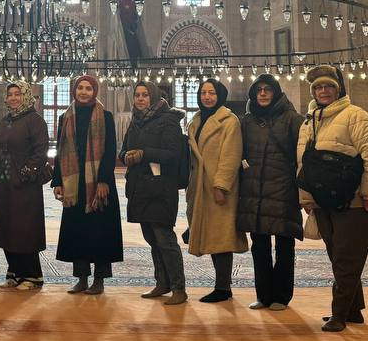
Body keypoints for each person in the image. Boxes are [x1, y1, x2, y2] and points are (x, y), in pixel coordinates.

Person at [298, 65, 368, 333]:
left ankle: (339, 314)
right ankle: (353, 310)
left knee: (347, 258)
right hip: (323, 201)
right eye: (318, 87)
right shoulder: (309, 122)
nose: (323, 91)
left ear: (338, 89)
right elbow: (303, 164)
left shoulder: (355, 116)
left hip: (354, 201)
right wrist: (307, 199)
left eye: (328, 86)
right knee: (339, 257)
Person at [237, 74, 304, 311]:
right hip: (254, 192)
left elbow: (302, 157)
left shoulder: (292, 119)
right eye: (259, 90)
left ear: (276, 92)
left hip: (283, 191)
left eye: (268, 89)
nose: (263, 94)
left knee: (284, 246)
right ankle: (264, 295)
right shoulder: (247, 122)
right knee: (260, 247)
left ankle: (281, 296)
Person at [51, 74, 122, 295]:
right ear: (74, 91)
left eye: (88, 88)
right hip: (74, 184)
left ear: (94, 92)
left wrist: (103, 180)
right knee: (77, 231)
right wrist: (58, 181)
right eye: (80, 88)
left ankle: (99, 280)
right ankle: (81, 278)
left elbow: (110, 151)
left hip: (98, 183)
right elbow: (60, 151)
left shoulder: (105, 116)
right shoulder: (65, 117)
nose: (83, 92)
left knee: (99, 232)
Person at [121, 81, 189, 305]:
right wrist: (126, 157)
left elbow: (173, 153)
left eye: (145, 95)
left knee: (164, 239)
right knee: (151, 238)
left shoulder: (168, 121)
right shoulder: (135, 121)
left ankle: (179, 288)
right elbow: (124, 149)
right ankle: (162, 283)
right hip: (140, 188)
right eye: (137, 95)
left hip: (161, 188)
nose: (140, 99)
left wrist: (144, 153)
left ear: (153, 97)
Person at [184, 77, 247, 303]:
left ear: (220, 95)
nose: (207, 97)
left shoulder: (229, 121)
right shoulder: (196, 120)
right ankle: (221, 286)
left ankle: (223, 287)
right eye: (203, 93)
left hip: (218, 189)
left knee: (221, 238)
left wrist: (221, 186)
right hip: (199, 187)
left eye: (211, 93)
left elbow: (231, 156)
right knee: (212, 236)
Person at [0, 81, 49, 290]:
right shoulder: (6, 120)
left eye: (18, 94)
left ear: (26, 96)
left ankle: (32, 275)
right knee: (6, 226)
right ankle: (14, 272)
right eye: (10, 94)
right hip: (3, 184)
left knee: (25, 229)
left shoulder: (35, 120)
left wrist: (25, 174)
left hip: (24, 186)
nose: (13, 98)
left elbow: (40, 152)